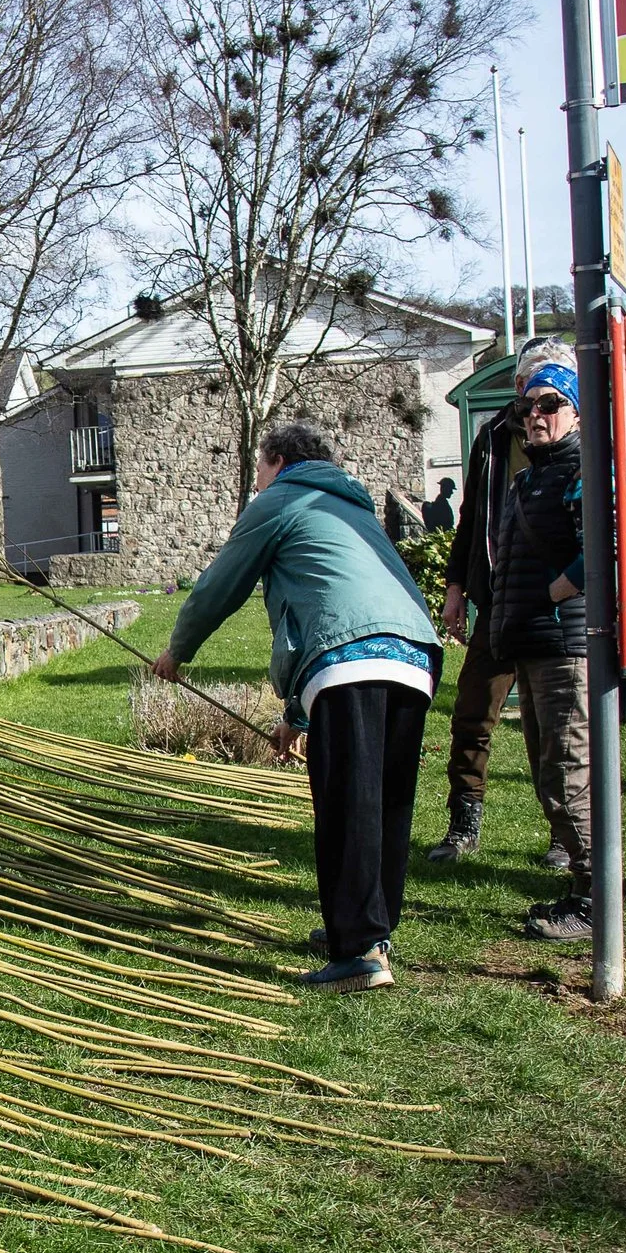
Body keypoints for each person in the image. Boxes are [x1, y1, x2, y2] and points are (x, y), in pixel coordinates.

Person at [152, 421, 440, 992]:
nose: (256, 478)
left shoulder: (280, 499)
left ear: (277, 460)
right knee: (383, 804)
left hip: (350, 657)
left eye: (259, 466)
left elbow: (220, 585)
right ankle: (371, 932)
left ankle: (357, 950)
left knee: (346, 806)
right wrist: (298, 718)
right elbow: (333, 595)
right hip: (414, 657)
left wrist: (175, 652)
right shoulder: (348, 506)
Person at [430, 338, 569, 864]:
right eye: (532, 388)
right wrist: (455, 590)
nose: (539, 405)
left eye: (552, 393)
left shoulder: (580, 442)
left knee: (551, 728)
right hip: (496, 602)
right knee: (471, 713)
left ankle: (564, 834)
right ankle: (464, 826)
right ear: (517, 387)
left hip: (553, 610)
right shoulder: (491, 437)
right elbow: (470, 519)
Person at [482, 350, 594, 939]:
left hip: (563, 645)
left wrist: (556, 590)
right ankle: (583, 885)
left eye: (551, 405)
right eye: (529, 406)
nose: (536, 416)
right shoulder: (532, 475)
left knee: (570, 772)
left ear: (576, 412)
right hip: (530, 643)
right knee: (550, 773)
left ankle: (596, 898)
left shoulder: (582, 471)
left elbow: (604, 547)